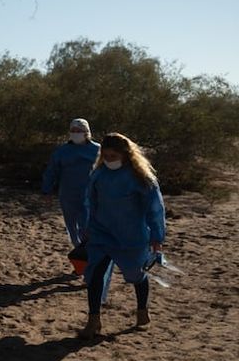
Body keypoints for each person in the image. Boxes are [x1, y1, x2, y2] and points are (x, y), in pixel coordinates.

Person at [78, 133, 166, 339]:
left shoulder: (141, 178)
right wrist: (88, 226)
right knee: (94, 275)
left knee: (136, 274)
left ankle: (142, 311)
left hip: (131, 235)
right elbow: (90, 201)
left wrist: (157, 235)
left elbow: (155, 209)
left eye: (113, 156)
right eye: (105, 156)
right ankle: (93, 320)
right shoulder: (99, 174)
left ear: (125, 155)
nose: (109, 160)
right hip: (102, 233)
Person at [41, 118, 101, 246]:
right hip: (68, 194)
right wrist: (46, 190)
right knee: (71, 225)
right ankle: (77, 248)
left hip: (90, 194)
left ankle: (89, 250)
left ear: (86, 132)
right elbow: (52, 171)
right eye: (73, 130)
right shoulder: (62, 151)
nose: (76, 133)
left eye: (79, 130)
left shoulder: (98, 150)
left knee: (88, 224)